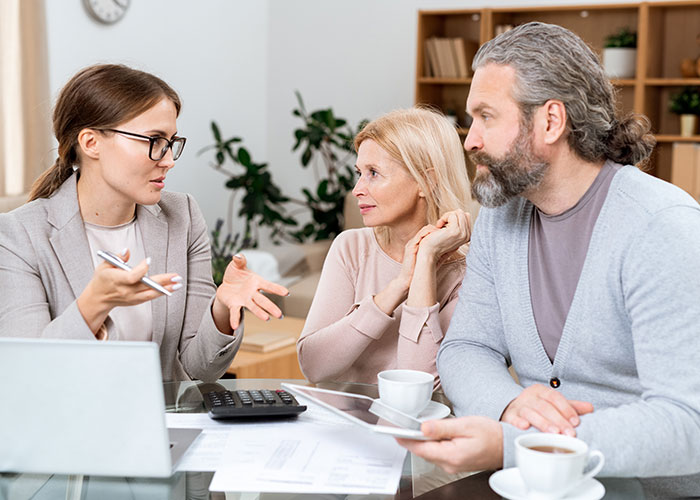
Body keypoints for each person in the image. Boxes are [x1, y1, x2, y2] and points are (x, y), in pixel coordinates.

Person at [398, 22, 700, 494]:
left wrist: (517, 441)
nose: (469, 139)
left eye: (486, 117)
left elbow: (688, 424)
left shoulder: (662, 226)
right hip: (535, 485)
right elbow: (466, 348)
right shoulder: (502, 216)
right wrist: (507, 405)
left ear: (551, 121)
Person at [0, 64, 288, 382]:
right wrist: (95, 304)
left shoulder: (184, 216)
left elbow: (197, 371)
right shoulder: (17, 236)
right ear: (90, 142)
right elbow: (26, 374)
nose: (168, 159)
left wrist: (221, 309)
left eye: (171, 142)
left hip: (165, 424)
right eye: (154, 140)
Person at [297, 107, 472, 385]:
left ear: (426, 181)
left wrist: (425, 262)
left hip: (415, 426)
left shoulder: (466, 274)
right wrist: (398, 287)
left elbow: (417, 384)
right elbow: (314, 366)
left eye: (374, 173)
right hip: (340, 421)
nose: (357, 189)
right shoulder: (351, 248)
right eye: (359, 172)